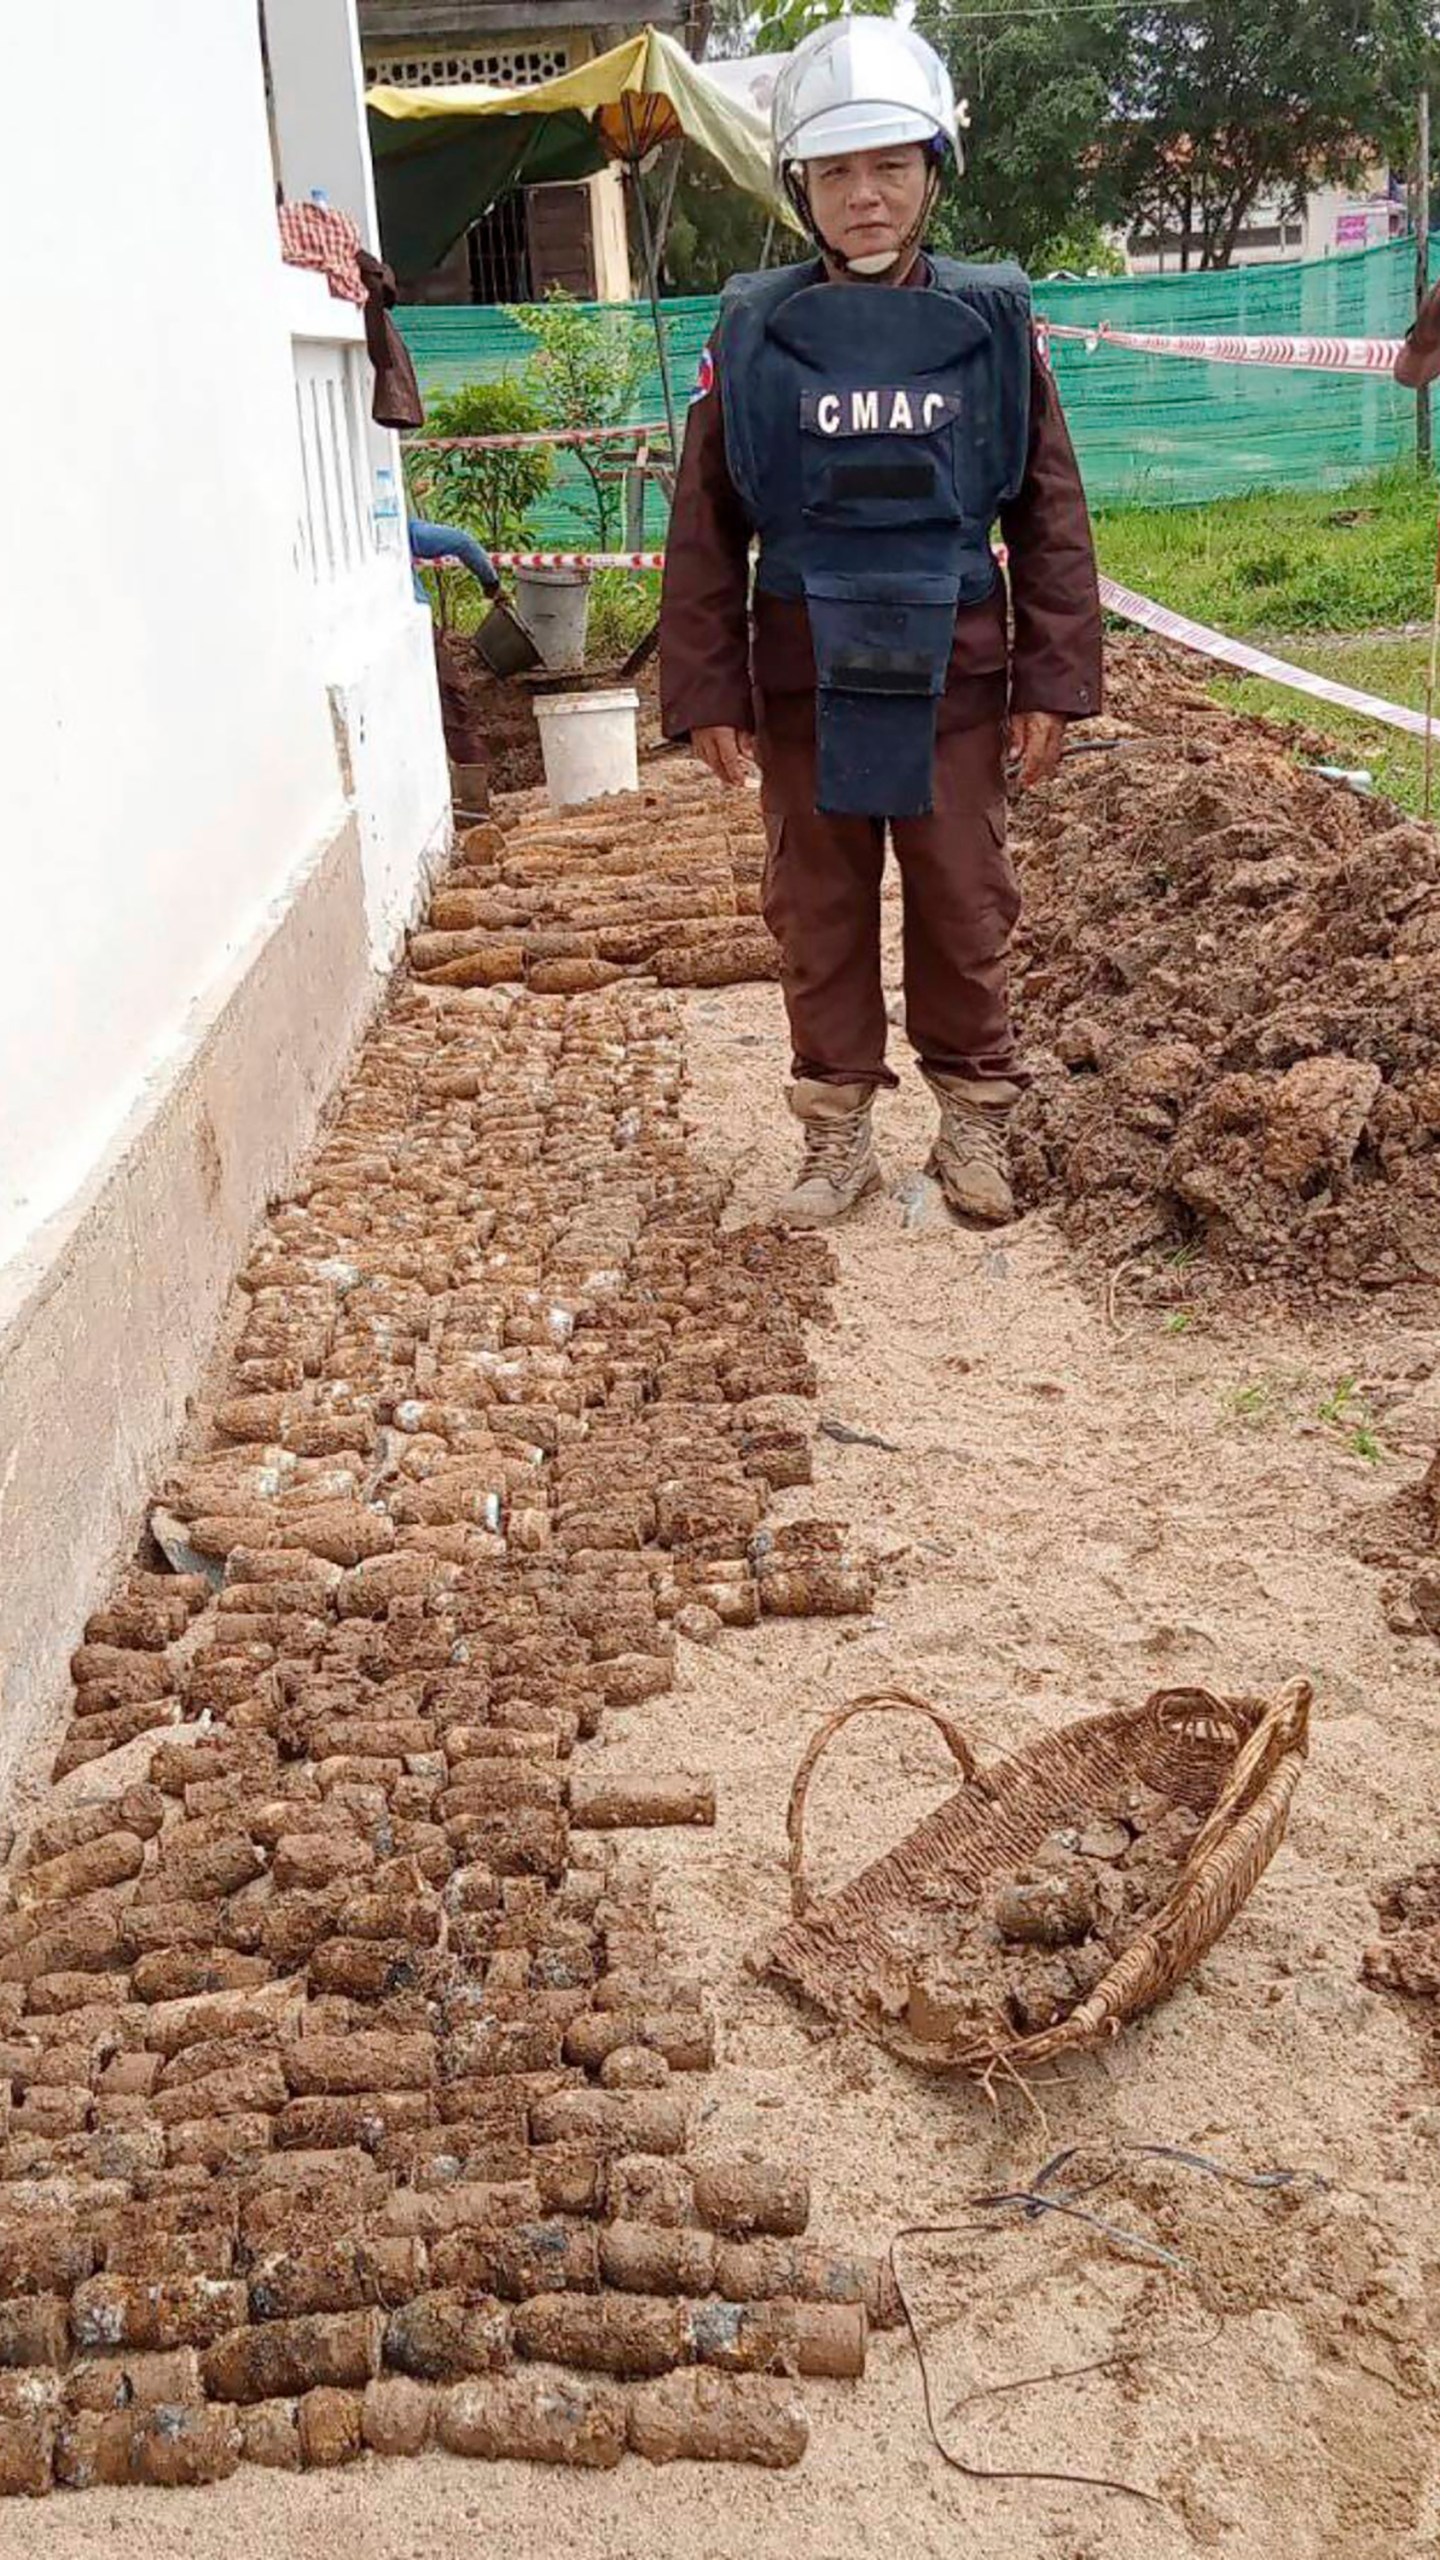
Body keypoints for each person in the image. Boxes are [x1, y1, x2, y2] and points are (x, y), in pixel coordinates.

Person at [658, 16, 1102, 1227]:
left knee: (965, 902)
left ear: (931, 173)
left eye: (890, 166)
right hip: (805, 682)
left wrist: (1051, 682)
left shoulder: (998, 329)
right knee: (817, 911)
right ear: (799, 185)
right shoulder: (750, 336)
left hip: (955, 677)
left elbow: (1051, 514)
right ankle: (837, 1137)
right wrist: (704, 691)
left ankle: (974, 1125)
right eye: (838, 172)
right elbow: (706, 524)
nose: (866, 197)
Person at [408, 518, 502, 608]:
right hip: (410, 613)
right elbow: (462, 543)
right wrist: (491, 584)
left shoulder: (404, 532)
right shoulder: (406, 532)